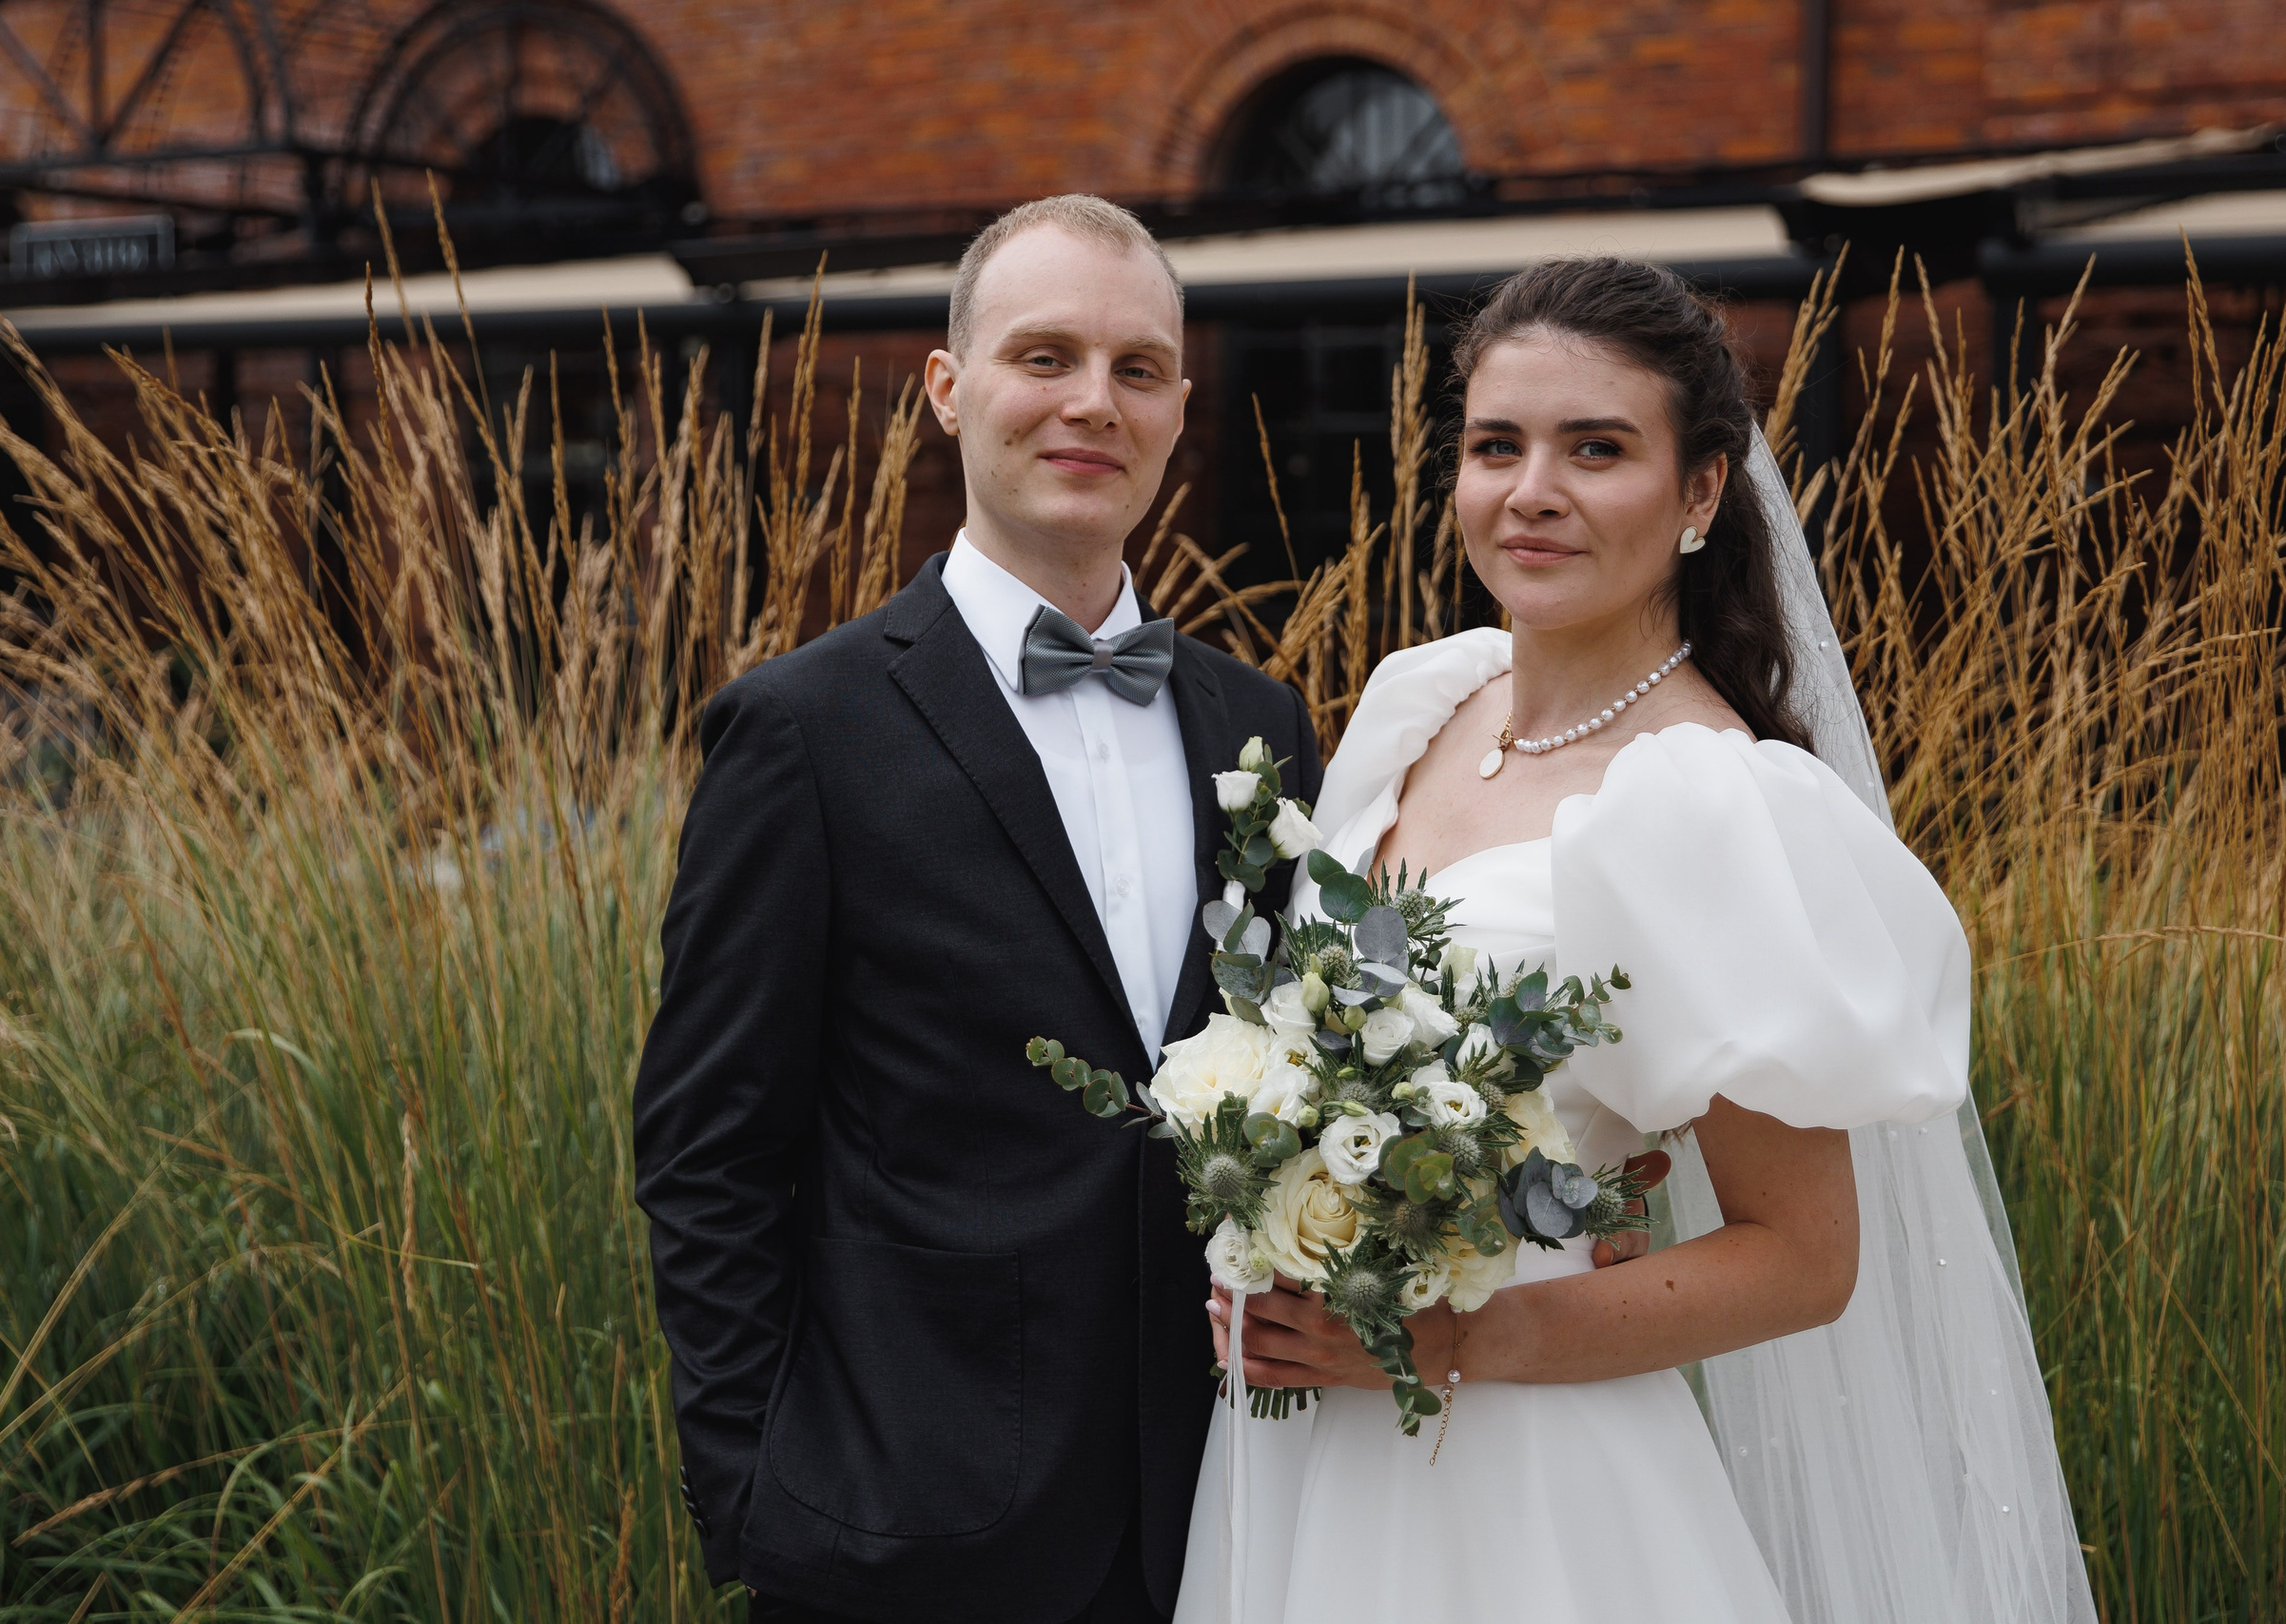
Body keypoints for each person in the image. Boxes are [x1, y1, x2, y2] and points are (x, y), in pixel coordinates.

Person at [1178, 258, 2094, 1622]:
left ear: (1702, 492)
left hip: (1529, 1477)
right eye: (1498, 446)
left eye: (1596, 449)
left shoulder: (1711, 800)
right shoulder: (1423, 702)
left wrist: (1458, 1335)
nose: (1532, 490)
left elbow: (1802, 1255)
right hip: (1298, 1458)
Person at [631, 196, 1323, 1623]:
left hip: (1224, 1520)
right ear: (948, 391)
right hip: (900, 1536)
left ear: (1182, 407)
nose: (1092, 402)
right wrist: (755, 1493)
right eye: (1045, 357)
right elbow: (708, 1150)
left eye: (1137, 370)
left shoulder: (1261, 726)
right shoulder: (801, 731)